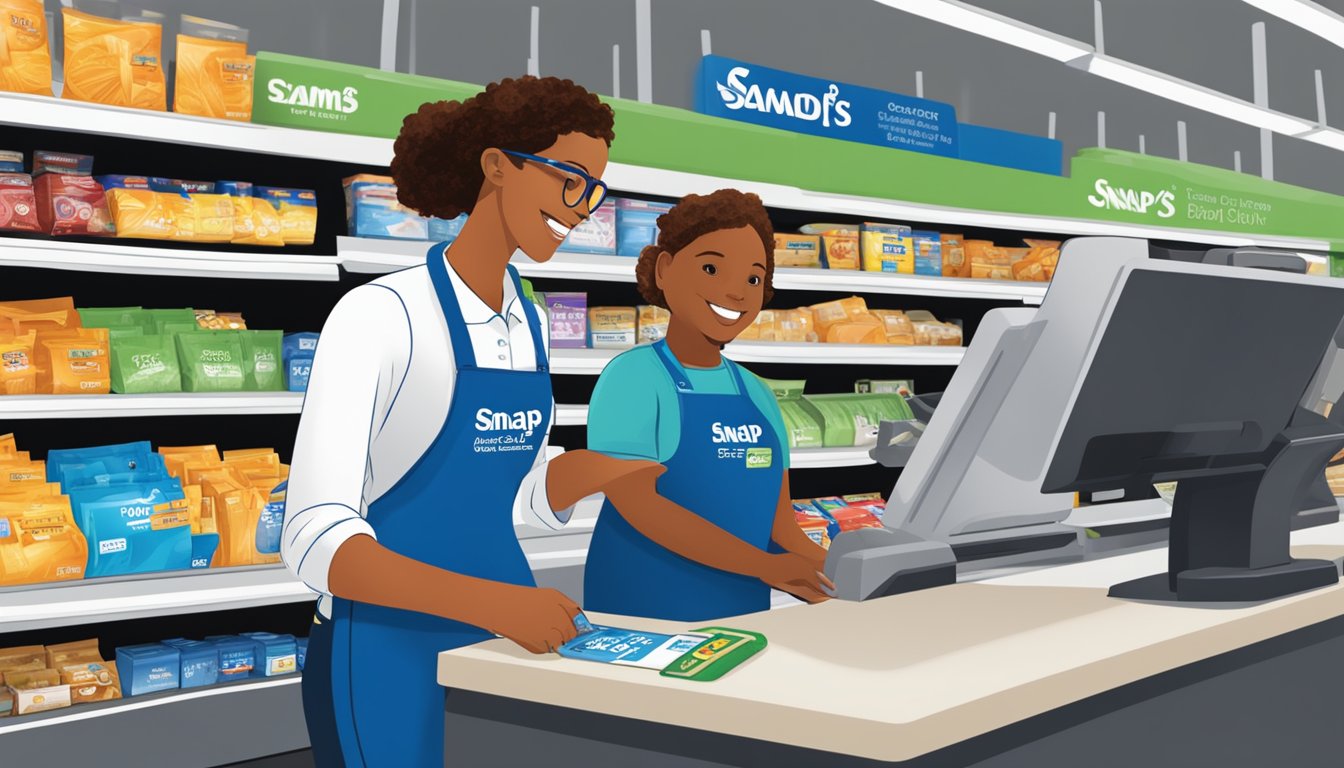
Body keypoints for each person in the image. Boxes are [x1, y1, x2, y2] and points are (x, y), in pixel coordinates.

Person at [282, 76, 661, 767]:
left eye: (594, 192)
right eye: (570, 181)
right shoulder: (379, 316)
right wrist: (494, 606)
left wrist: (592, 471)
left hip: (500, 641)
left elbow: (507, 490)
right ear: (496, 165)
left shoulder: (533, 319)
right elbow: (316, 539)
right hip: (386, 648)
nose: (581, 211)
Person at [582, 189, 834, 622]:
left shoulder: (756, 392)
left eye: (753, 279)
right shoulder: (633, 378)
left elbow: (780, 527)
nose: (736, 292)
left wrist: (842, 575)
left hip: (739, 614)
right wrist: (766, 567)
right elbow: (640, 507)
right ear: (665, 270)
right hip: (642, 613)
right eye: (712, 268)